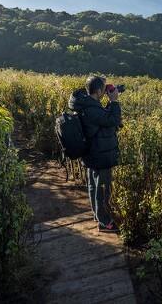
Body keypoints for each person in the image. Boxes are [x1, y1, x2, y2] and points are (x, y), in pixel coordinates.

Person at [68, 75, 121, 233]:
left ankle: (98, 215)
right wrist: (114, 101)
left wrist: (108, 102)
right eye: (104, 89)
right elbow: (112, 120)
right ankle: (105, 222)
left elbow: (103, 119)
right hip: (100, 154)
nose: (106, 91)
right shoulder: (92, 108)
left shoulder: (86, 104)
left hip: (92, 152)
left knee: (93, 186)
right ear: (98, 91)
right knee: (102, 189)